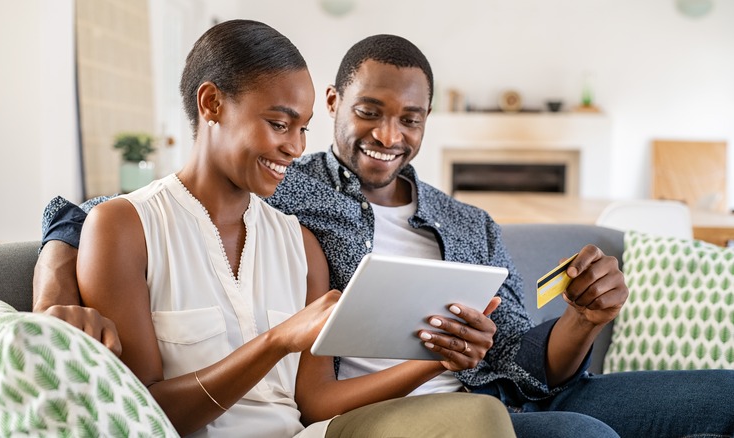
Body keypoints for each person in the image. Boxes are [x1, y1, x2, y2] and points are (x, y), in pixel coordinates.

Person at [34, 32, 734, 438]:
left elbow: (526, 359)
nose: (389, 136)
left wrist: (583, 318)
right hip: (412, 412)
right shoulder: (288, 185)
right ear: (336, 103)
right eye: (370, 111)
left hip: (511, 392)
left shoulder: (467, 223)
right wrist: (55, 287)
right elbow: (90, 211)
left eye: (412, 119)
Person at [42, 19, 516, 438]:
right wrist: (276, 341)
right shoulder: (124, 227)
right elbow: (144, 415)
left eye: (304, 128)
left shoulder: (302, 244)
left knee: (480, 415)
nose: (294, 147)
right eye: (279, 123)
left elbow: (315, 404)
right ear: (212, 104)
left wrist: (440, 357)